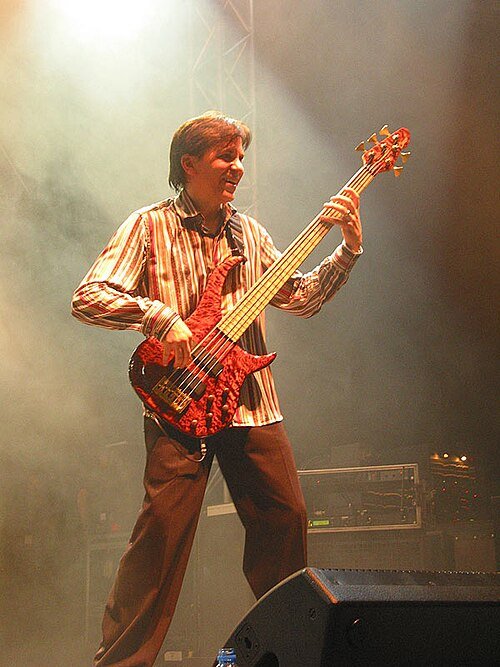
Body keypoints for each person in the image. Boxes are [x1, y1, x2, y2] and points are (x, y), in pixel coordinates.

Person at [71, 111, 363, 666]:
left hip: (251, 406)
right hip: (178, 403)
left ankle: (290, 653)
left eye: (241, 157)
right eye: (225, 156)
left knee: (286, 521)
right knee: (160, 538)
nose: (238, 167)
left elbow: (300, 298)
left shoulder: (249, 234)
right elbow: (88, 297)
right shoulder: (149, 226)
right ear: (189, 164)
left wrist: (346, 249)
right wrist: (159, 316)